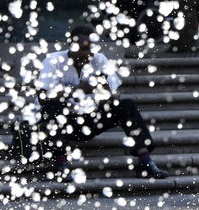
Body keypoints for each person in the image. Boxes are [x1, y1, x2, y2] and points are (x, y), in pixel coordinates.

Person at [17, 24, 169, 180]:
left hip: (88, 120)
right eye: (83, 49)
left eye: (91, 49)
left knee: (127, 105)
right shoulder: (54, 60)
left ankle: (145, 161)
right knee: (56, 105)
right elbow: (43, 97)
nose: (87, 54)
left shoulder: (99, 60)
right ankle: (61, 164)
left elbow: (114, 98)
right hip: (59, 123)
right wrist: (76, 91)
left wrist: (105, 92)